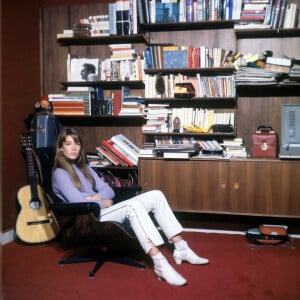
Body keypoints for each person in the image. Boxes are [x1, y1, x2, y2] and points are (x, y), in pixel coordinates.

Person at [52, 128, 209, 286]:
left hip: (102, 210)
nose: (73, 148)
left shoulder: (84, 168)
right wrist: (99, 201)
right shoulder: (60, 173)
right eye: (68, 144)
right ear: (60, 148)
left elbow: (108, 191)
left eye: (77, 144)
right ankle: (160, 263)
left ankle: (181, 248)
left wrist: (96, 198)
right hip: (88, 219)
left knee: (156, 195)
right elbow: (76, 201)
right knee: (133, 206)